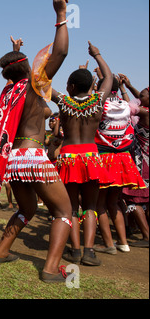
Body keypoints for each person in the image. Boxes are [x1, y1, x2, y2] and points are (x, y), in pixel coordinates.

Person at [0, 0, 72, 282]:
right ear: (27, 71)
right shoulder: (34, 85)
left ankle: (1, 251)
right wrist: (60, 14)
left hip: (14, 160)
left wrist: (16, 53)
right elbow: (61, 51)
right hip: (33, 156)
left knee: (28, 209)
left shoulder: (9, 93)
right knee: (64, 212)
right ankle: (49, 269)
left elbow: (14, 75)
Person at [53, 42, 114, 266]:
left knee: (71, 208)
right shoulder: (97, 102)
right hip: (91, 157)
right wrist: (97, 54)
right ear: (90, 87)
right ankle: (89, 252)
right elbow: (108, 78)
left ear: (70, 86)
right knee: (90, 206)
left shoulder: (63, 101)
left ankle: (75, 251)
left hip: (68, 157)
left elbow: (41, 81)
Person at [94, 77, 147, 255]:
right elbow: (140, 103)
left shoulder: (99, 106)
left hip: (104, 158)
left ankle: (109, 244)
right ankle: (123, 243)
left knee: (99, 204)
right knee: (114, 202)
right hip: (123, 160)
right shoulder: (127, 106)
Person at [119, 76, 149, 248]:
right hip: (147, 162)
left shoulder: (144, 113)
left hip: (140, 164)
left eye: (142, 95)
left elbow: (129, 108)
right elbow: (140, 101)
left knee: (134, 200)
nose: (139, 98)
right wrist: (128, 86)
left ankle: (146, 236)